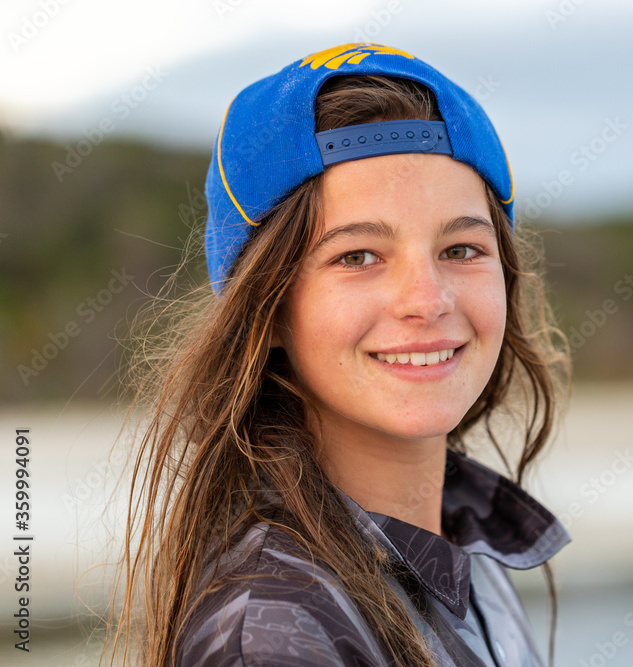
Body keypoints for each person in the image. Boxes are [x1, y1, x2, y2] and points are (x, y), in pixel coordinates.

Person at [107, 43, 572, 666]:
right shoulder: (274, 637)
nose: (427, 300)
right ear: (267, 311)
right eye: (357, 257)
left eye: (461, 249)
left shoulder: (461, 550)